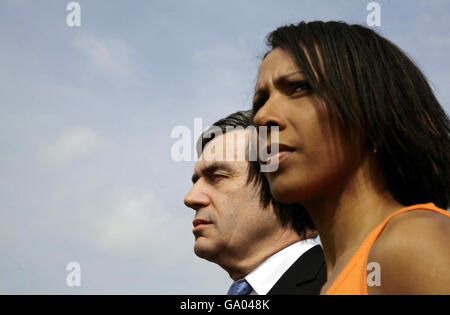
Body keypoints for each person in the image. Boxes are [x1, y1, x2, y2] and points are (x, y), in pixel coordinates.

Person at [251, 21, 450, 295]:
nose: (262, 117)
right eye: (260, 101)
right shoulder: (336, 277)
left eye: (299, 87)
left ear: (373, 110)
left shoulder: (411, 243)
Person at [184, 110, 326, 295]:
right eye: (197, 181)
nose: (191, 198)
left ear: (283, 188)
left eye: (217, 177)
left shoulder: (352, 286)